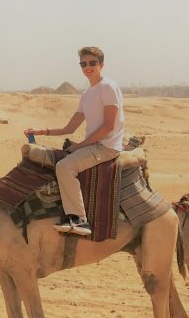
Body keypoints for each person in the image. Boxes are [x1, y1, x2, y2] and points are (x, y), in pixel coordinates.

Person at [25, 47, 125, 236]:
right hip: (94, 144)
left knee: (65, 167)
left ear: (101, 64)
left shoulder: (108, 87)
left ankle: (79, 219)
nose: (87, 67)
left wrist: (80, 145)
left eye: (92, 63)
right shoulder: (87, 94)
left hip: (106, 147)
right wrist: (41, 131)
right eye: (83, 64)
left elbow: (108, 127)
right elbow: (69, 129)